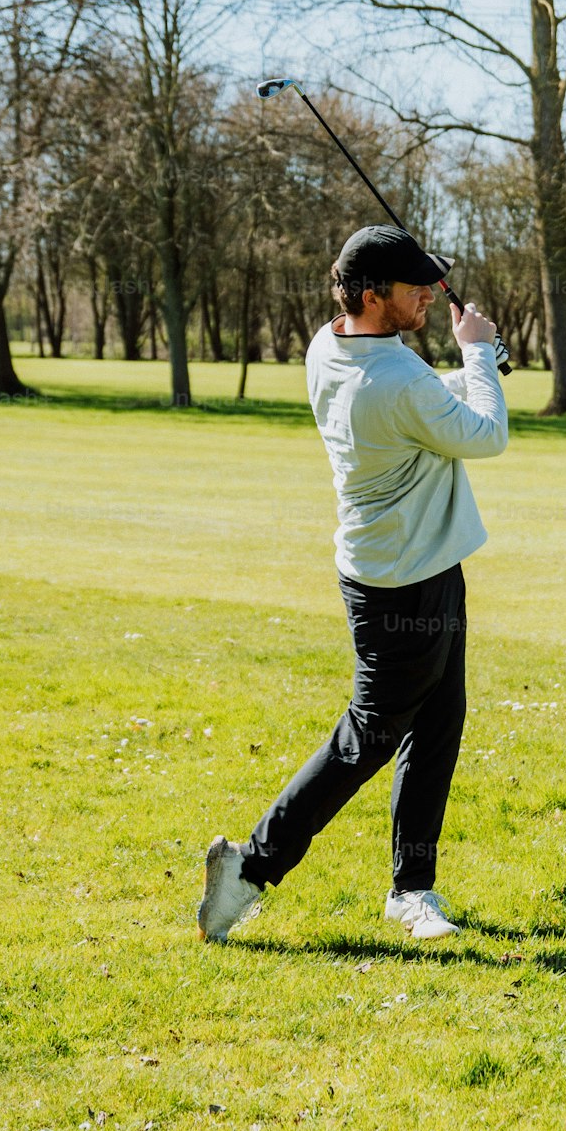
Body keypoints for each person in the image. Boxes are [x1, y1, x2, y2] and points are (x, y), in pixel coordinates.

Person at [198, 224, 509, 943]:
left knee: (436, 724)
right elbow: (485, 435)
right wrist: (479, 355)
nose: (431, 294)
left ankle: (412, 889)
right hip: (405, 583)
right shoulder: (391, 379)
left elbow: (427, 402)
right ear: (371, 297)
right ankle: (251, 868)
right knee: (370, 734)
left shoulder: (332, 344)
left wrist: (469, 372)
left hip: (409, 568)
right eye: (414, 288)